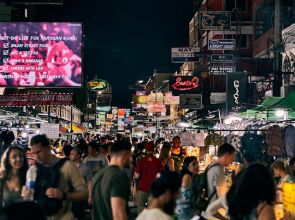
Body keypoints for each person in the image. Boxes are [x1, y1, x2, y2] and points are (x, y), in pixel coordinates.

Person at [21, 134, 88, 220]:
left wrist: (64, 195)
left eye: (39, 152)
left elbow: (85, 193)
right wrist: (25, 194)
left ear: (48, 148)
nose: (36, 156)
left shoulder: (67, 166)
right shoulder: (32, 170)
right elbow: (28, 198)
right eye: (34, 153)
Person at [92, 140, 132, 220]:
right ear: (124, 154)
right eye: (130, 155)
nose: (131, 159)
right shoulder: (119, 176)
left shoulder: (98, 175)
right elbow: (118, 214)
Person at [134, 141, 164, 214]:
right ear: (154, 150)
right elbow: (162, 174)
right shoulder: (158, 161)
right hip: (154, 188)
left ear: (146, 150)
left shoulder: (141, 160)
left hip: (143, 187)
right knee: (152, 209)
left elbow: (137, 175)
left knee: (141, 207)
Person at [69, 148, 86, 220]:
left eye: (72, 154)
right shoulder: (68, 166)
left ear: (78, 156)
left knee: (77, 216)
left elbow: (89, 181)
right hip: (69, 195)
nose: (70, 156)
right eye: (70, 154)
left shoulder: (84, 167)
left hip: (79, 195)